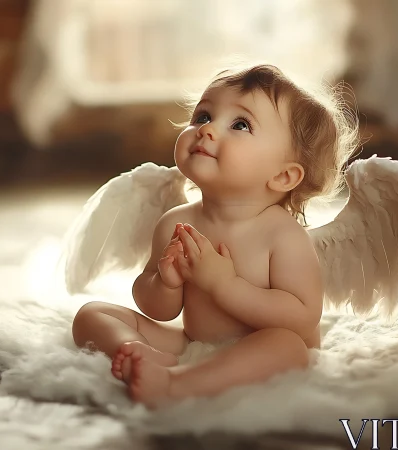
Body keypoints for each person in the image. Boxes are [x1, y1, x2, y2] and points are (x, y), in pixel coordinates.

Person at [72, 63, 358, 408]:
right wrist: (165, 282)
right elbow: (158, 310)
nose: (207, 131)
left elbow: (301, 317)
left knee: (288, 347)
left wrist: (225, 285)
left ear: (284, 177)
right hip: (193, 342)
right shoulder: (174, 223)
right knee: (93, 314)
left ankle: (178, 384)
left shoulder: (283, 235)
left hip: (260, 348)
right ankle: (140, 356)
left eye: (240, 124)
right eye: (204, 116)